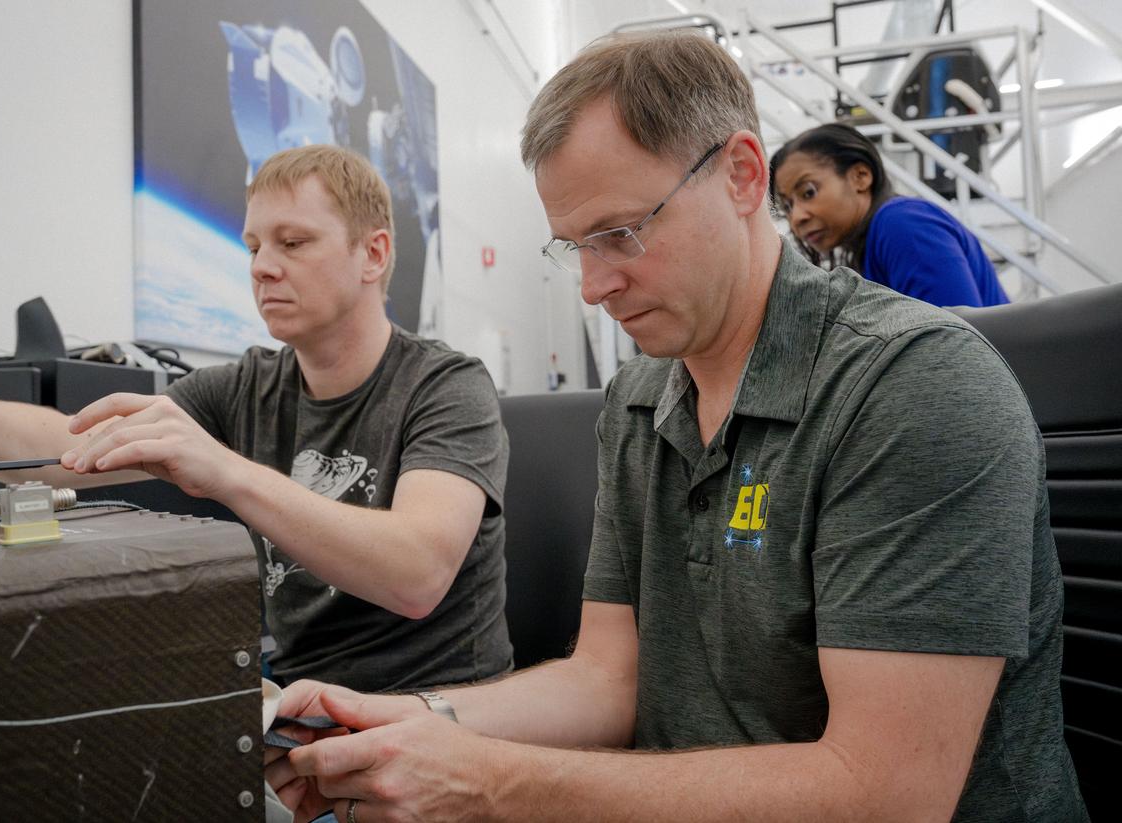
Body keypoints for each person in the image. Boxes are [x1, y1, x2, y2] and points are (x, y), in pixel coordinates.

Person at [264, 30, 1086, 823]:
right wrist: (410, 722)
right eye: (574, 246)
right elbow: (607, 680)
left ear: (739, 174)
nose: (592, 286)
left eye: (620, 233)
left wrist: (490, 784)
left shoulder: (914, 387)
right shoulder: (638, 396)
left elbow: (885, 793)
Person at [0, 144, 513, 695]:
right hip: (304, 709)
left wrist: (224, 471)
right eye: (253, 245)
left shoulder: (447, 387)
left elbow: (417, 573)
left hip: (441, 715)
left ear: (373, 254)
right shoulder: (250, 384)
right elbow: (66, 445)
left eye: (292, 242)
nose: (261, 267)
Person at [770, 122, 1010, 307]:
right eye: (788, 206)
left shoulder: (904, 224)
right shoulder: (874, 243)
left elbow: (960, 349)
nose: (797, 217)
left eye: (808, 192)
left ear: (860, 177)